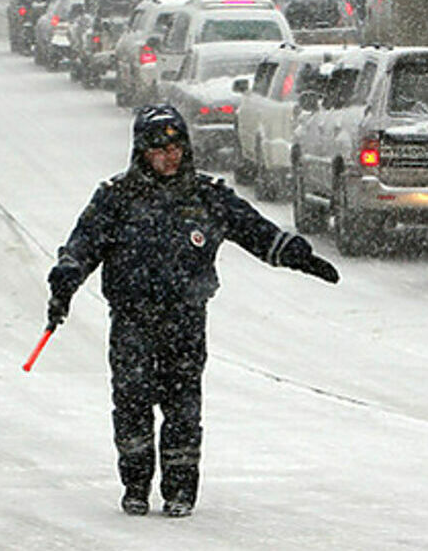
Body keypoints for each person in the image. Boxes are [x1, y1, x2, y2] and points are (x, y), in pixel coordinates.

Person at [46, 104, 339, 518]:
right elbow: (82, 245)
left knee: (183, 406)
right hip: (132, 319)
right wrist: (65, 280)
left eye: (177, 147)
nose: (170, 156)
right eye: (159, 149)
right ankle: (135, 485)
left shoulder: (207, 196)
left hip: (185, 320)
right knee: (131, 403)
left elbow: (255, 231)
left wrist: (294, 253)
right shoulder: (116, 198)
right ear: (141, 152)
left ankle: (180, 490)